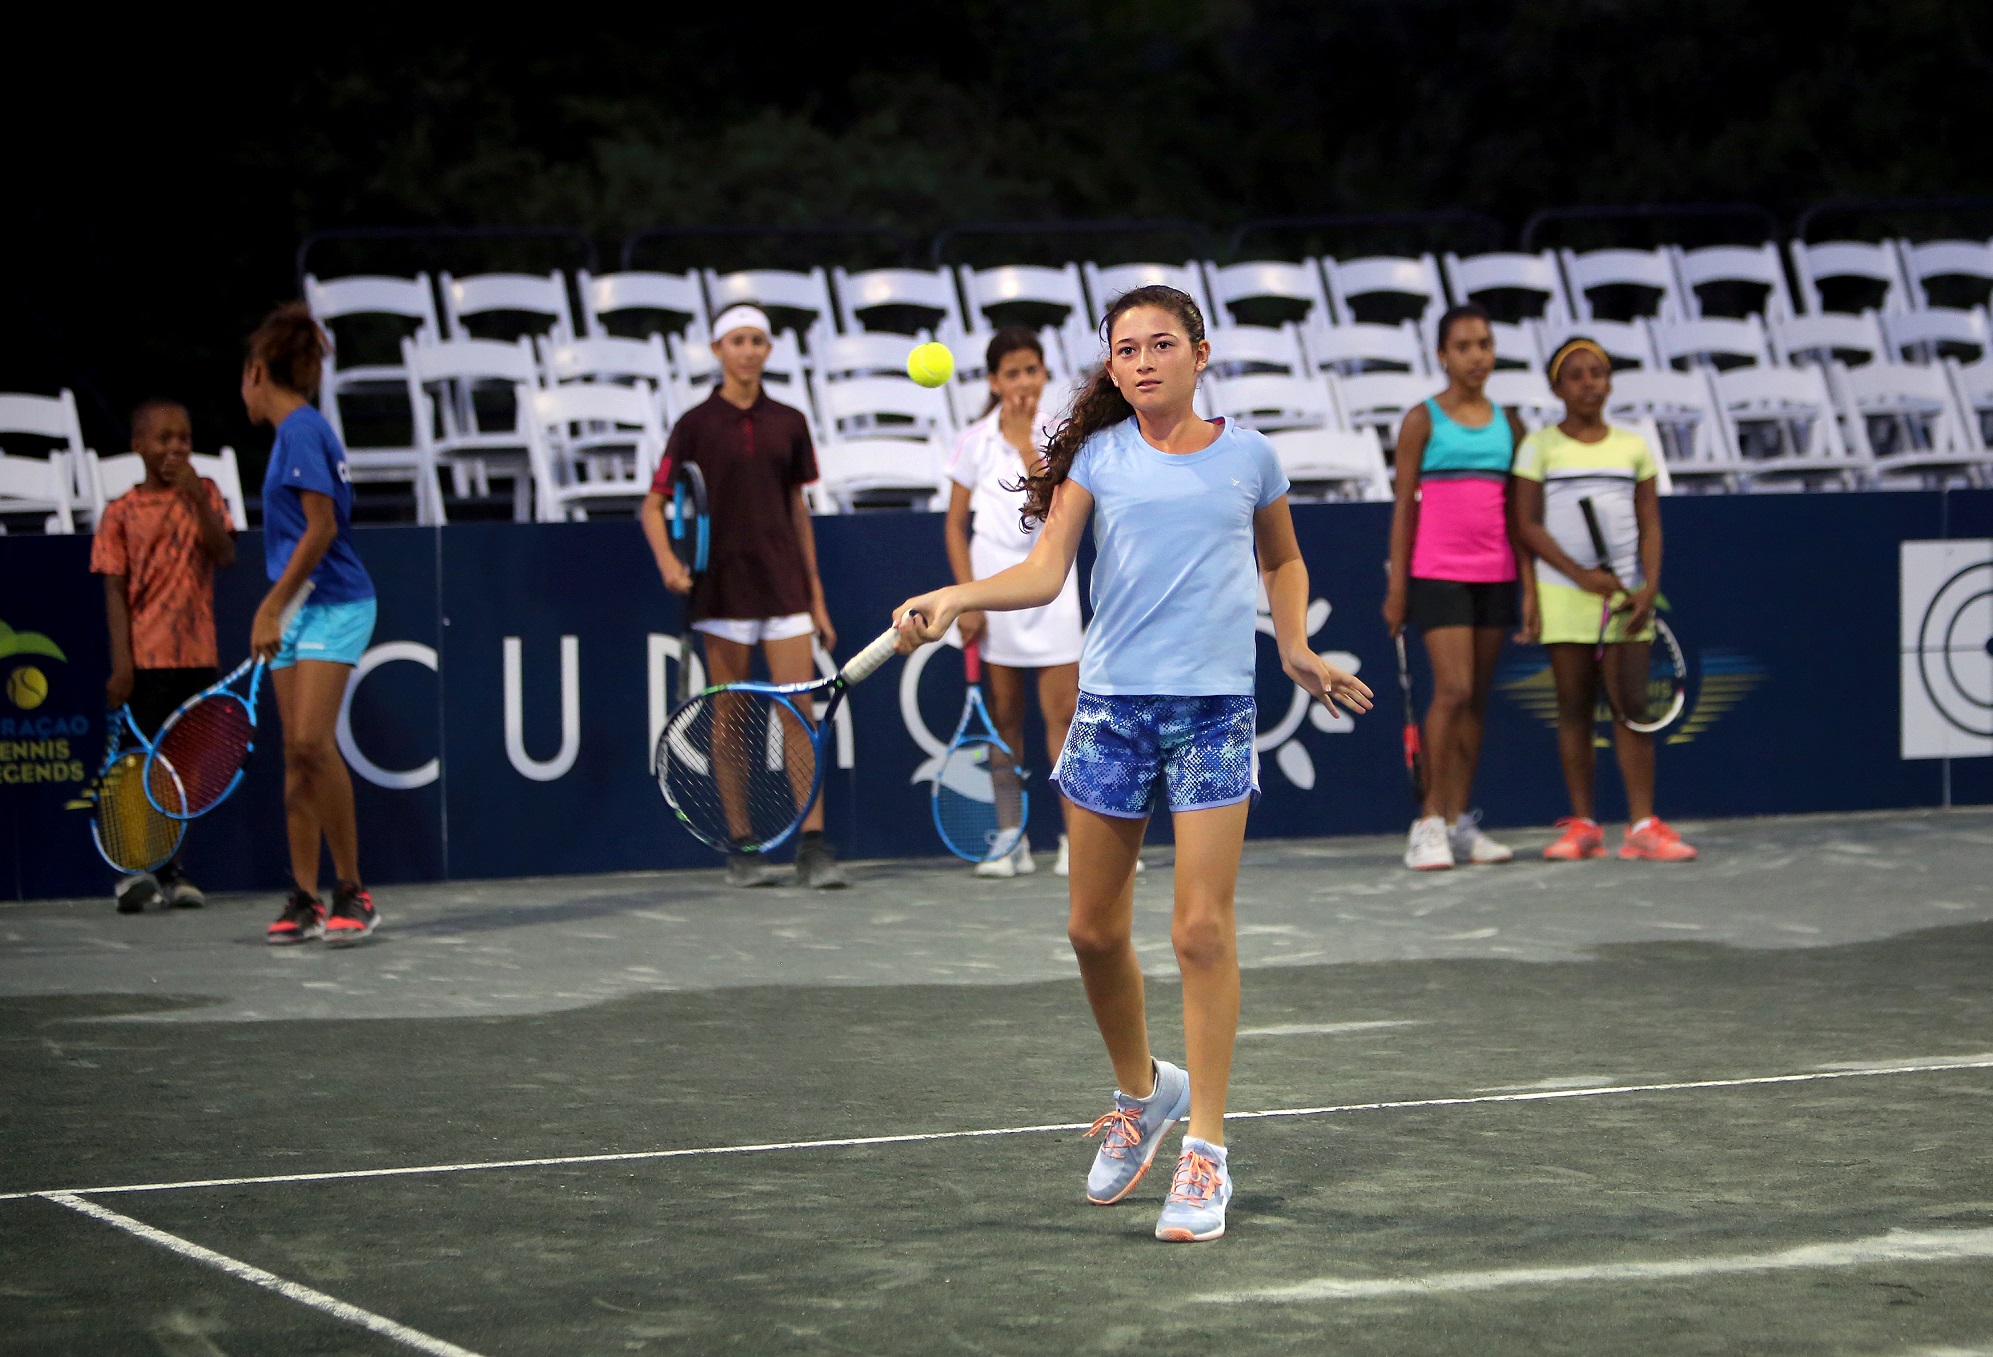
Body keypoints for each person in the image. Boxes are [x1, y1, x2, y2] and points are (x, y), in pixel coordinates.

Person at [892, 286, 1373, 1243]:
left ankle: (1206, 1152)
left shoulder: (1249, 456)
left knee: (1199, 929)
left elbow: (1283, 561)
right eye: (1127, 349)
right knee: (1089, 930)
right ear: (1111, 366)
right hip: (1111, 712)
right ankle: (1143, 1090)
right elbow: (1041, 573)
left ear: (1200, 353)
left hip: (1211, 715)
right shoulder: (1097, 460)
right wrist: (957, 593)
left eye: (1162, 344)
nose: (1144, 361)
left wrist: (1291, 645)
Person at [640, 304, 845, 889]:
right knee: (728, 720)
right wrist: (669, 564)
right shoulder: (694, 424)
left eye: (757, 340)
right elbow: (651, 505)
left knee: (798, 716)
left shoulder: (789, 421)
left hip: (785, 589)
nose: (748, 350)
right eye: (737, 340)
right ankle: (742, 846)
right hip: (721, 591)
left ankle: (813, 846)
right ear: (717, 350)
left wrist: (817, 597)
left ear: (768, 350)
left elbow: (796, 512)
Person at [1513, 337, 1697, 862]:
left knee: (1632, 710)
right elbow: (1525, 524)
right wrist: (1579, 576)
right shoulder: (1540, 447)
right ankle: (1585, 826)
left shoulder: (1633, 447)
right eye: (1576, 375)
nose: (1589, 383)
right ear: (1557, 388)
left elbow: (1650, 524)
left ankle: (1642, 826)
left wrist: (1647, 589)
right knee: (1573, 710)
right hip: (1564, 595)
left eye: (1598, 373)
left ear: (1611, 382)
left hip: (1628, 599)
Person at [243, 302, 381, 945]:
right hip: (297, 605)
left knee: (310, 743)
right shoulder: (294, 434)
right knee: (295, 756)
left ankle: (352, 889)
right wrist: (280, 605)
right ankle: (304, 896)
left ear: (255, 373)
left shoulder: (300, 430)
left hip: (335, 602)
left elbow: (322, 527)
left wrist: (271, 605)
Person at [1383, 303, 1534, 871]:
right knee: (1452, 691)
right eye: (1465, 346)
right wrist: (1398, 588)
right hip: (1436, 573)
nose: (1478, 356)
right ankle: (1427, 822)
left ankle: (1457, 822)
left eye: (1486, 344)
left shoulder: (1511, 424)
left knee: (1474, 701)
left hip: (1496, 574)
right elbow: (1402, 510)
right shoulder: (1422, 420)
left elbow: (1521, 517)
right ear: (1443, 355)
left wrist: (1531, 590)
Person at [944, 327, 1083, 878]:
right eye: (1012, 372)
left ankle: (1078, 841)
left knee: (1067, 715)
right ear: (994, 381)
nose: (1024, 381)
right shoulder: (972, 441)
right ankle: (1010, 837)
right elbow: (955, 527)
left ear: (1044, 374)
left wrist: (1028, 441)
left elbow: (1050, 505)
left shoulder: (1063, 434)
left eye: (1032, 370)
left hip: (1051, 587)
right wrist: (964, 601)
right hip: (994, 588)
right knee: (1003, 719)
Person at [91, 399, 236, 913]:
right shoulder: (120, 513)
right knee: (138, 769)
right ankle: (133, 871)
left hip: (197, 659)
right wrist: (123, 666)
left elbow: (225, 555)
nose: (175, 447)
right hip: (146, 664)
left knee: (181, 773)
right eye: (164, 438)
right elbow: (114, 592)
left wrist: (198, 498)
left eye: (184, 438)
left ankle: (173, 872)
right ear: (138, 446)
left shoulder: (208, 495)